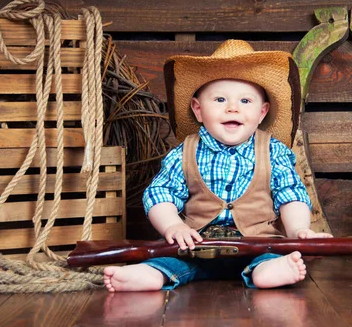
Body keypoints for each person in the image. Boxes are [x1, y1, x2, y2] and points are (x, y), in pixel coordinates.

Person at [104, 40, 332, 292]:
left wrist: (298, 229)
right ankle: (152, 274)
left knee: (269, 258)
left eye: (246, 101)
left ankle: (268, 271)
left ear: (262, 112)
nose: (232, 107)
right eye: (220, 99)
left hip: (257, 244)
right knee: (170, 261)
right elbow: (160, 194)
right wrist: (173, 225)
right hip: (195, 247)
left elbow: (290, 195)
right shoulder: (184, 153)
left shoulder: (273, 151)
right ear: (198, 110)